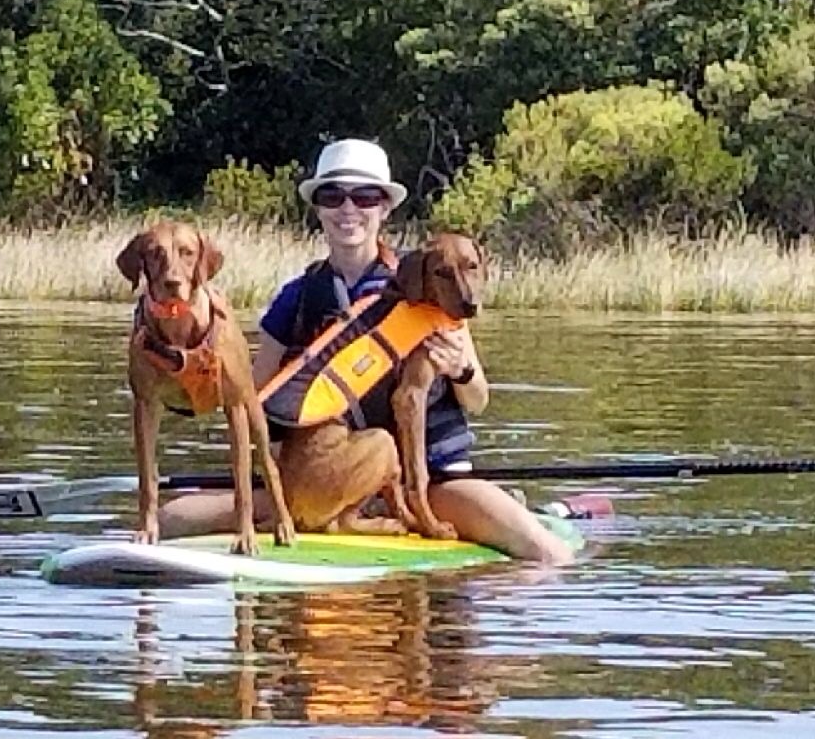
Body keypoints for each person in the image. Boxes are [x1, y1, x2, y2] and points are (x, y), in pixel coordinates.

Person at [159, 138, 575, 565]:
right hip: (326, 478)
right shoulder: (298, 297)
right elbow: (256, 395)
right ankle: (332, 513)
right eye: (332, 196)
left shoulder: (430, 284)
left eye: (365, 196)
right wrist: (195, 363)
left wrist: (462, 370)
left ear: (384, 208)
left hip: (432, 482)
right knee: (170, 518)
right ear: (318, 208)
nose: (348, 209)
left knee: (546, 553)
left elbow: (478, 400)